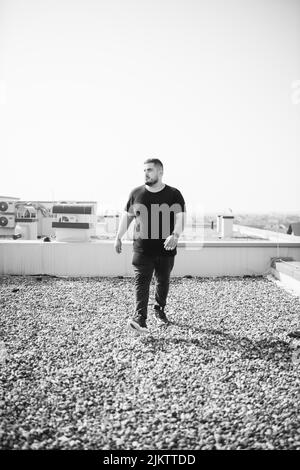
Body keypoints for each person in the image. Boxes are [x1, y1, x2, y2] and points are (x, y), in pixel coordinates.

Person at [114, 158, 186, 335]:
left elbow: (181, 218)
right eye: (144, 170)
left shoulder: (174, 194)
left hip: (165, 249)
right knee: (141, 282)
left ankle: (159, 309)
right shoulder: (136, 193)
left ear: (160, 172)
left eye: (150, 170)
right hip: (142, 249)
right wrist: (118, 237)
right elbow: (127, 217)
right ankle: (140, 319)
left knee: (163, 281)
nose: (146, 173)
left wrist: (175, 235)